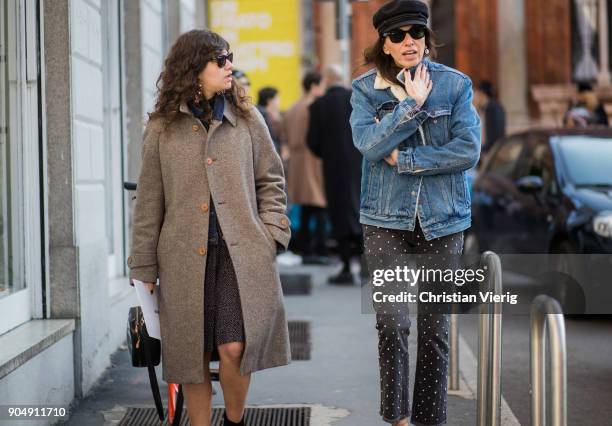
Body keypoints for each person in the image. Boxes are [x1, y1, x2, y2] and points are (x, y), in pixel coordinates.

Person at [128, 30, 291, 426]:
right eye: (220, 60)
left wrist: (272, 233)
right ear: (193, 69)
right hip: (183, 259)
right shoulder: (161, 130)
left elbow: (272, 180)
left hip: (241, 256)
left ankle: (234, 421)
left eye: (229, 57)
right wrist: (143, 269)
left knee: (235, 347)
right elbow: (149, 202)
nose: (228, 65)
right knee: (191, 355)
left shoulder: (248, 119)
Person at [349, 1, 481, 425]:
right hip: (385, 219)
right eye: (399, 36)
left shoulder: (456, 86)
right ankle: (398, 418)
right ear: (384, 44)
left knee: (435, 330)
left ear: (427, 38)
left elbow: (468, 150)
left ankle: (428, 420)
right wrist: (412, 106)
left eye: (417, 34)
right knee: (391, 323)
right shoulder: (365, 91)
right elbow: (369, 146)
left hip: (443, 221)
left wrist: (405, 159)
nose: (410, 42)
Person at [307, 65, 363, 284]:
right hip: (360, 165)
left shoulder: (319, 105)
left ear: (327, 80)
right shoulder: (358, 99)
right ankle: (365, 264)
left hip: (333, 167)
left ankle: (347, 265)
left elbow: (312, 141)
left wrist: (327, 154)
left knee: (338, 211)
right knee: (360, 209)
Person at [283, 71, 329, 262]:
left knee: (306, 207)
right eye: (322, 86)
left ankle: (304, 247)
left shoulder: (292, 108)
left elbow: (283, 135)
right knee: (319, 205)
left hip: (296, 161)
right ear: (314, 86)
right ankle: (319, 249)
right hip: (313, 160)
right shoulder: (314, 107)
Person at [475, 80, 505, 153]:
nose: (474, 98)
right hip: (487, 151)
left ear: (481, 93)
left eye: (476, 94)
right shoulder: (485, 108)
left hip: (491, 152)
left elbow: (494, 136)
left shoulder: (492, 108)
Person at [257, 87, 283, 153]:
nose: (279, 101)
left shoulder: (261, 114)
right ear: (269, 101)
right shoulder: (264, 116)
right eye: (277, 99)